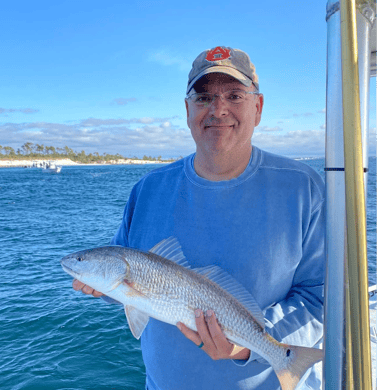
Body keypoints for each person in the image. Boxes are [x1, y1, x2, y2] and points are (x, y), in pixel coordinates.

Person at [73, 46, 325, 390]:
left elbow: (321, 296)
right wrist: (101, 287)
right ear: (188, 109)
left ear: (258, 107)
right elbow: (128, 282)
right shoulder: (146, 190)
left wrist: (248, 344)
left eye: (234, 95)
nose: (218, 109)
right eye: (204, 97)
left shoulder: (304, 187)